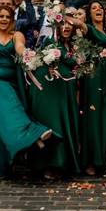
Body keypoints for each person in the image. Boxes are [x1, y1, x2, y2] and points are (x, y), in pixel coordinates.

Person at [0, 5, 54, 179]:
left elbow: (19, 47)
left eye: (7, 17)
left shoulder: (16, 35)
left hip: (12, 82)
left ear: (12, 20)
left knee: (3, 122)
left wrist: (26, 54)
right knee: (4, 118)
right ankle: (33, 133)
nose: (4, 19)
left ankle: (6, 165)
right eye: (1, 16)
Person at [30, 18, 83, 178]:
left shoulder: (75, 45)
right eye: (63, 25)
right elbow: (41, 64)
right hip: (54, 91)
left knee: (68, 123)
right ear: (56, 28)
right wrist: (50, 70)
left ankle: (64, 164)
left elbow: (79, 63)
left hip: (69, 90)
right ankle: (48, 165)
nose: (66, 27)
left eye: (69, 25)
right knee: (55, 124)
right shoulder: (50, 43)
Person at [80, 0, 106, 176]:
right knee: (94, 115)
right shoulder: (87, 29)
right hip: (94, 74)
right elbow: (78, 24)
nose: (99, 10)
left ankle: (104, 159)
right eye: (94, 8)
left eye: (100, 8)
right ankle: (91, 160)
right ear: (89, 13)